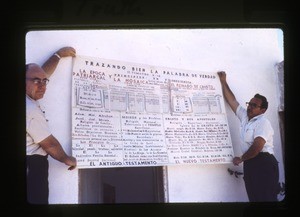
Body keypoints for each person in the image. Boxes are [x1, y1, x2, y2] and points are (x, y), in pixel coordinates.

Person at [217, 71, 279, 202]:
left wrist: (241, 159)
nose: (250, 107)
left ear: (263, 110)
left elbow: (257, 147)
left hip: (263, 163)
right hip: (251, 163)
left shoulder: (263, 123)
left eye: (254, 105)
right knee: (254, 198)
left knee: (266, 200)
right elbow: (232, 101)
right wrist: (223, 81)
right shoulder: (245, 116)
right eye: (249, 104)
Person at [26, 46, 77, 204]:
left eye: (44, 81)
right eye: (36, 81)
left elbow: (42, 73)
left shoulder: (28, 93)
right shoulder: (29, 108)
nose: (42, 85)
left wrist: (58, 55)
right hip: (31, 166)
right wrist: (68, 159)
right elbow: (49, 144)